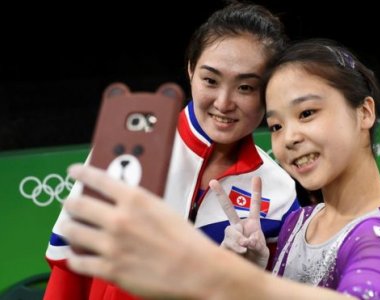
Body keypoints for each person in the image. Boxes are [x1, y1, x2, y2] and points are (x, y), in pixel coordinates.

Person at [59, 38, 380, 299]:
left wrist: (224, 277)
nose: (290, 138)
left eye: (307, 113)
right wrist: (253, 268)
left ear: (364, 112)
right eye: (276, 125)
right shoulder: (299, 223)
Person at [44, 2, 299, 299]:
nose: (224, 102)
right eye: (210, 80)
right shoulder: (129, 148)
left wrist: (245, 276)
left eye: (246, 87)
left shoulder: (279, 192)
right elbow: (69, 272)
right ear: (190, 69)